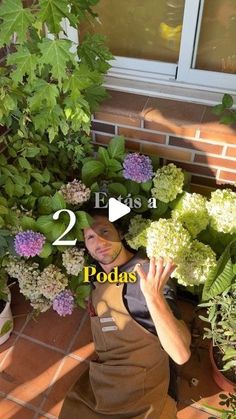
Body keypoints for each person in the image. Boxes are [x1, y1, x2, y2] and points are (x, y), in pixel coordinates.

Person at [59, 211, 191, 419]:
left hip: (143, 389)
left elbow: (181, 353)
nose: (99, 241)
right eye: (90, 237)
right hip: (103, 381)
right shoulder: (95, 275)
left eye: (105, 231)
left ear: (119, 233)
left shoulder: (147, 275)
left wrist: (154, 296)